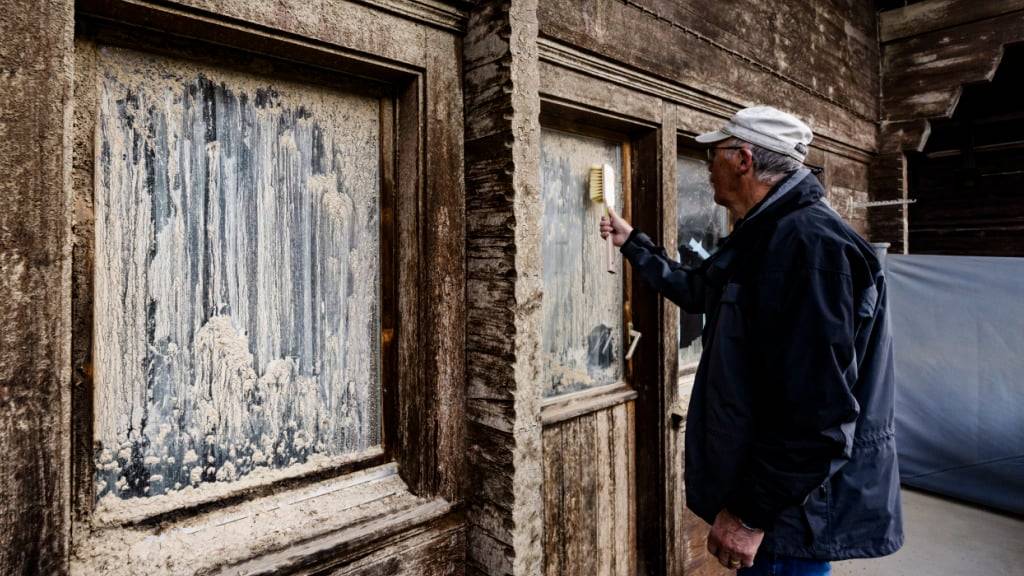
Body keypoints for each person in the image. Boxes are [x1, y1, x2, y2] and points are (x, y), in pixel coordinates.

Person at [600, 106, 903, 575]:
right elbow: (701, 289)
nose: (706, 166)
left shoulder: (809, 247)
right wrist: (634, 244)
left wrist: (748, 515)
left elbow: (818, 415)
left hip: (790, 514)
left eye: (713, 154)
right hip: (779, 502)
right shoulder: (765, 231)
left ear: (742, 159)